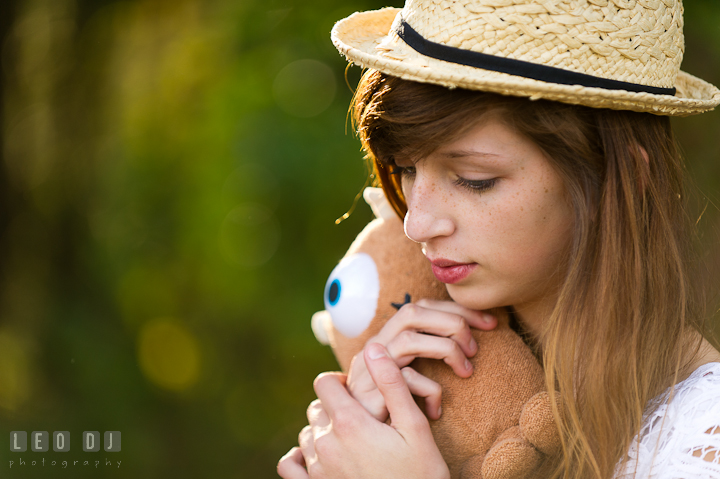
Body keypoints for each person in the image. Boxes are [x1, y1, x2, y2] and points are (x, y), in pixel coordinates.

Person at [278, 1, 720, 478]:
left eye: (474, 179)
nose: (416, 225)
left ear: (626, 177)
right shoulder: (423, 396)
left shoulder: (700, 442)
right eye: (405, 168)